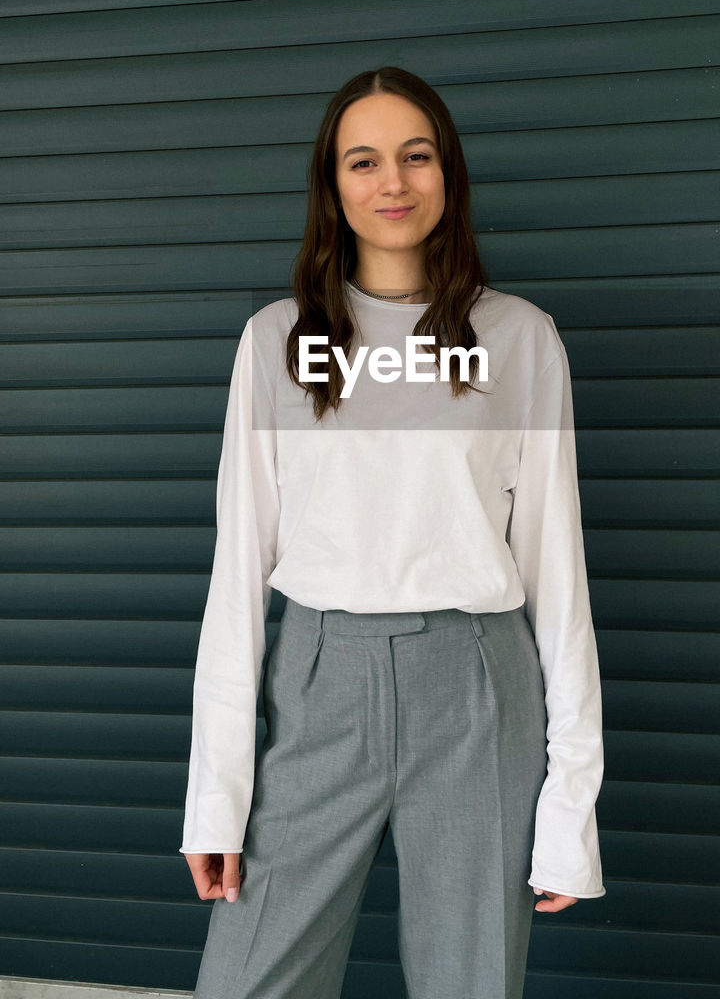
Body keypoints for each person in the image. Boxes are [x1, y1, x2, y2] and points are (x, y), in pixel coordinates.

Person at [179, 66, 606, 999]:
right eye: (363, 161)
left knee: (471, 984)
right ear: (333, 187)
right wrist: (216, 797)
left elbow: (559, 575)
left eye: (417, 156)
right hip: (320, 683)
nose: (394, 183)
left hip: (478, 689)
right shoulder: (279, 343)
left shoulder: (519, 340)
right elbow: (236, 577)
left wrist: (571, 811)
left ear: (447, 174)